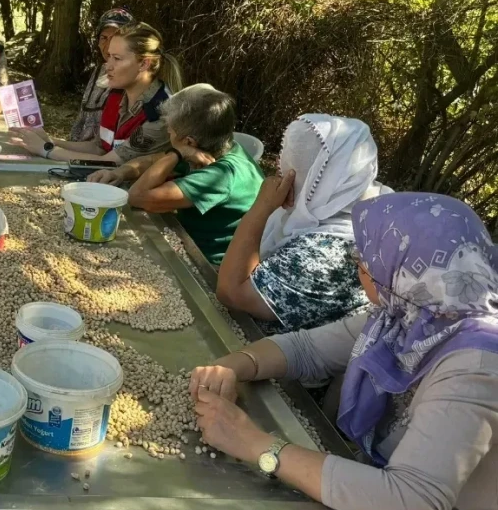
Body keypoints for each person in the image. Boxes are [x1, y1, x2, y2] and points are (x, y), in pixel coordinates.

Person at [189, 192, 498, 510]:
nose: (359, 269)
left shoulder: (477, 366)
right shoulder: (409, 313)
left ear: (403, 274)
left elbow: (411, 498)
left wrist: (254, 443)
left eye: (365, 263)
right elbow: (308, 349)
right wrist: (236, 365)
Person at [217, 115, 393, 332]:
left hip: (269, 354)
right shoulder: (359, 197)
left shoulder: (324, 254)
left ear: (322, 176)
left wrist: (260, 208)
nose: (280, 171)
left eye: (294, 166)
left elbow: (231, 293)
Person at [89, 84, 263, 263]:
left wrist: (177, 153)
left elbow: (137, 196)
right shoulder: (220, 146)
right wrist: (120, 172)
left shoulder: (220, 176)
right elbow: (153, 160)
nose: (168, 135)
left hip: (206, 266)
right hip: (185, 241)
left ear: (189, 141)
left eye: (170, 132)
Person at [15, 22, 181, 163]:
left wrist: (47, 149)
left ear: (144, 64)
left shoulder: (160, 113)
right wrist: (50, 140)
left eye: (117, 58)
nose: (108, 65)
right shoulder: (116, 95)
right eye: (109, 56)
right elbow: (99, 147)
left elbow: (110, 162)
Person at [69, 7, 136, 142]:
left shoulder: (132, 78)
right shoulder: (99, 71)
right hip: (80, 150)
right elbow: (81, 118)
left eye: (115, 38)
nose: (107, 45)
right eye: (103, 38)